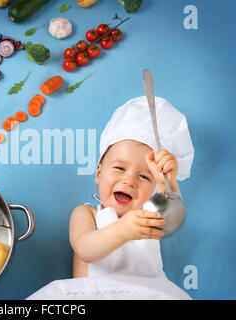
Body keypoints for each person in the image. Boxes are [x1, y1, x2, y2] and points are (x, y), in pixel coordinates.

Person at [27, 96, 194, 300]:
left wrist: (167, 180)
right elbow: (85, 249)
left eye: (143, 176)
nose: (129, 180)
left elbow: (171, 213)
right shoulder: (86, 213)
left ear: (152, 189)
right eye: (119, 168)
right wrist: (123, 230)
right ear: (98, 173)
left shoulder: (148, 217)